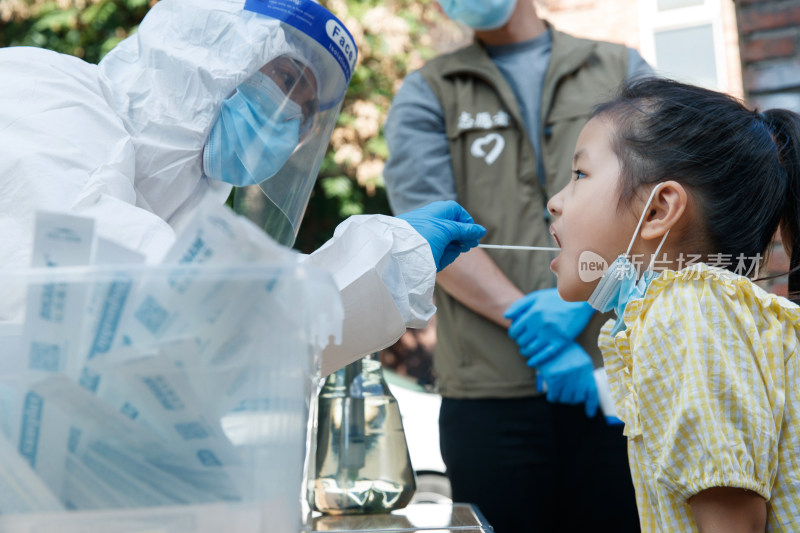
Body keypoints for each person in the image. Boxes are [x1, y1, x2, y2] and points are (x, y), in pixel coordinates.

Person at [0, 0, 485, 374]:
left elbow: (240, 355)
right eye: (287, 78)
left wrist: (390, 269)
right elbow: (184, 314)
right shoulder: (47, 97)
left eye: (309, 112)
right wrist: (389, 258)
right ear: (205, 47)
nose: (294, 117)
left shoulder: (181, 216)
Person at [383, 0, 648, 530]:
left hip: (616, 383)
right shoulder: (429, 90)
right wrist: (540, 334)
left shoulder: (619, 68)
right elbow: (429, 235)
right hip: (488, 397)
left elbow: (658, 205)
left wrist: (592, 294)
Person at [544, 76, 800, 532]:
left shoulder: (684, 312)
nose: (555, 202)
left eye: (580, 175)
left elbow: (734, 526)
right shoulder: (701, 311)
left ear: (659, 210)